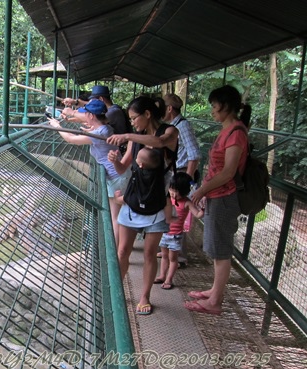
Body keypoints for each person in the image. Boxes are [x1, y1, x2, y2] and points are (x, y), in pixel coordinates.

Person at [107, 96, 179, 315]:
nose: (132, 123)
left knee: (150, 253)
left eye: (134, 118)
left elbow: (159, 143)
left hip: (156, 204)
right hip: (132, 202)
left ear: (147, 114)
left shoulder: (169, 132)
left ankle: (145, 296)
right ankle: (117, 294)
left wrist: (127, 135)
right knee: (122, 251)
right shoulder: (135, 139)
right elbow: (122, 169)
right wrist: (115, 161)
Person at [186, 85, 251, 315]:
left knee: (221, 250)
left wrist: (202, 190)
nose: (212, 110)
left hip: (224, 197)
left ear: (226, 106)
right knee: (215, 247)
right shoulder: (227, 130)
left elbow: (228, 172)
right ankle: (215, 291)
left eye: (215, 106)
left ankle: (215, 301)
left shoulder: (236, 133)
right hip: (216, 195)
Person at [48, 100, 130, 247]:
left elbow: (71, 139)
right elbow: (96, 133)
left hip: (115, 177)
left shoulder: (98, 133)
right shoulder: (105, 128)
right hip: (119, 174)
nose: (84, 114)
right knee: (117, 215)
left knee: (114, 217)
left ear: (91, 116)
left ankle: (115, 251)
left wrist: (57, 126)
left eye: (85, 113)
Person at [162, 93, 202, 267]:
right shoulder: (173, 125)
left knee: (181, 214)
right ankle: (170, 249)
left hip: (183, 174)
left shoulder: (182, 126)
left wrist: (187, 180)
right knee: (174, 210)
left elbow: (194, 154)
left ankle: (180, 256)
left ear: (169, 108)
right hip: (177, 173)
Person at [154, 172, 204, 290]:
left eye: (177, 192)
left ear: (185, 192)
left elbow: (197, 214)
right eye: (172, 190)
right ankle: (162, 275)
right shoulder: (167, 199)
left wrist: (203, 210)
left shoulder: (187, 202)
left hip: (175, 236)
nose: (173, 194)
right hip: (164, 233)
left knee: (173, 259)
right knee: (164, 256)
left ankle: (169, 279)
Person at [61, 85, 129, 135]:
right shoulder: (110, 109)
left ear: (101, 99)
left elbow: (91, 117)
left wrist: (72, 113)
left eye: (93, 100)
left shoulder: (113, 111)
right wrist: (75, 102)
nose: (91, 102)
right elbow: (90, 106)